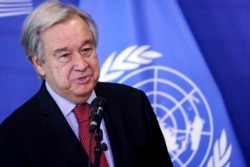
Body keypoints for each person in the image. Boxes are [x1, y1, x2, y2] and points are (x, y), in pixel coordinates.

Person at [0, 1, 173, 167]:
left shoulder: (134, 103)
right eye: (65, 55)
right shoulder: (15, 135)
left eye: (86, 50)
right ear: (39, 64)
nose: (82, 64)